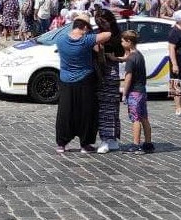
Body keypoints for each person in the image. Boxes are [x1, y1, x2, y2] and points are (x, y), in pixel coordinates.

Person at [54, 12, 112, 153]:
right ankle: (85, 144)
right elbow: (108, 35)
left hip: (66, 80)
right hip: (85, 80)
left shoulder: (61, 40)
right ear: (85, 28)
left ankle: (62, 143)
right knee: (87, 113)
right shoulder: (86, 40)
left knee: (65, 112)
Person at [94, 9, 124, 154]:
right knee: (108, 107)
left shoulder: (112, 35)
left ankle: (108, 139)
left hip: (109, 73)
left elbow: (121, 53)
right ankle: (110, 138)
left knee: (108, 107)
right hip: (106, 72)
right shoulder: (110, 33)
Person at [120, 31, 154, 154]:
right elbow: (126, 57)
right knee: (144, 117)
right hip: (142, 91)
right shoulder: (138, 55)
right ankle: (148, 143)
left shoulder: (131, 59)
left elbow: (128, 77)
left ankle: (136, 144)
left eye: (123, 41)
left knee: (136, 119)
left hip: (134, 92)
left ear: (129, 42)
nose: (121, 43)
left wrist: (124, 92)